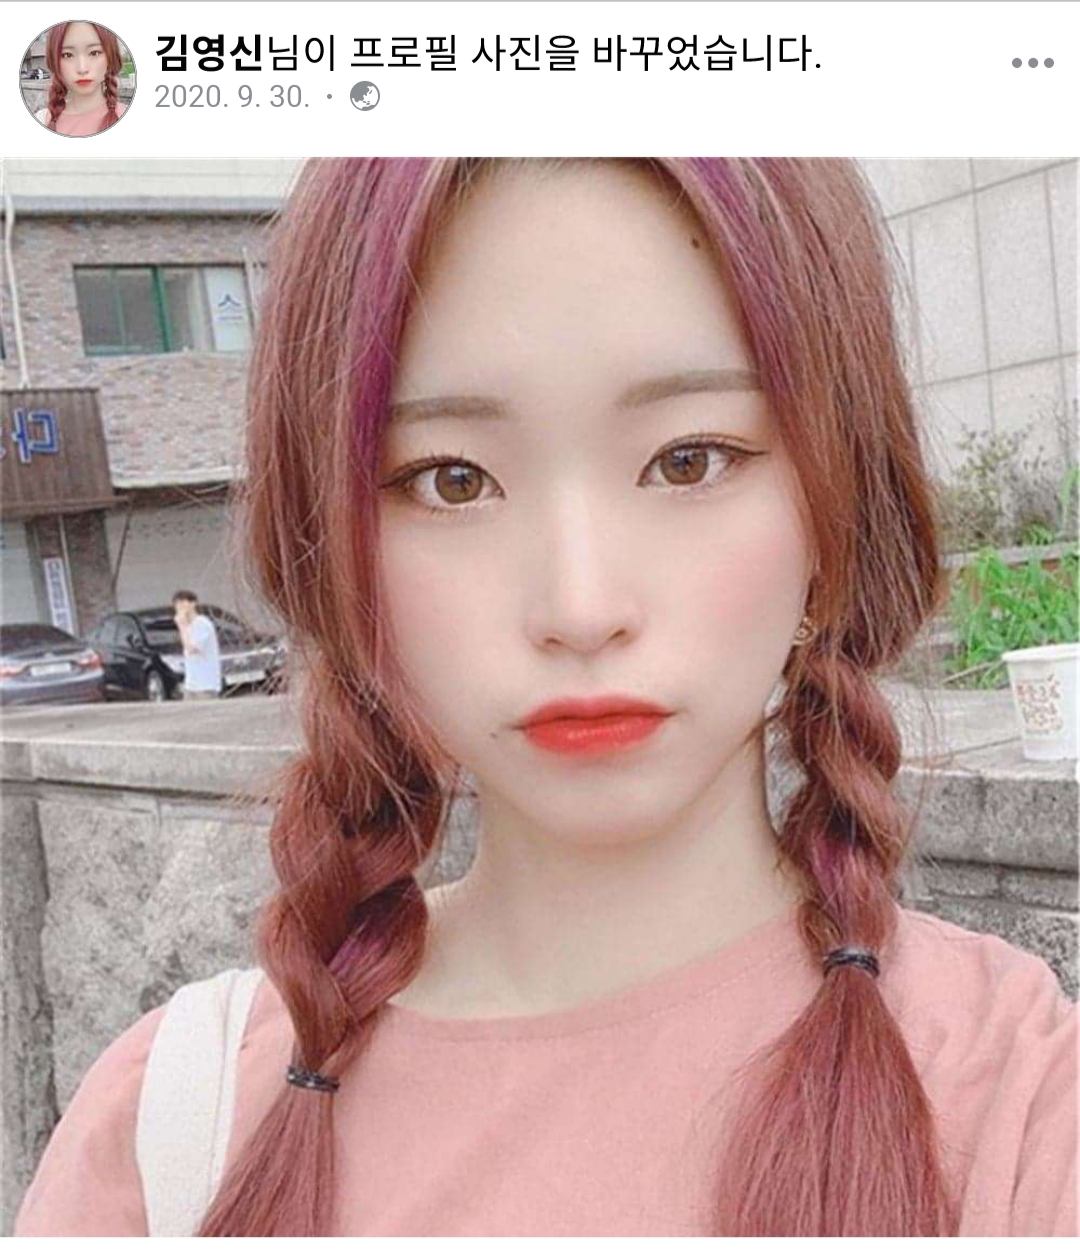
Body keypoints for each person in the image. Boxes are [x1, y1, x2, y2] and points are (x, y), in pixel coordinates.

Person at [14, 159, 1077, 1237]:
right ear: (336, 550)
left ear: (834, 506)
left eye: (689, 460)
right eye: (452, 479)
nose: (580, 606)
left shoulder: (1020, 1101)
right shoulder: (173, 1130)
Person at [33, 21, 128, 136]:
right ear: (54, 62)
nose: (82, 69)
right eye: (67, 55)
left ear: (110, 57)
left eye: (94, 53)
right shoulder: (42, 120)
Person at [171, 590, 221, 700]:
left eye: (183, 603)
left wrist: (182, 625)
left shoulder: (202, 623)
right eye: (177, 605)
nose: (180, 608)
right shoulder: (188, 626)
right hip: (191, 685)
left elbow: (192, 648)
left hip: (206, 685)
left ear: (193, 604)